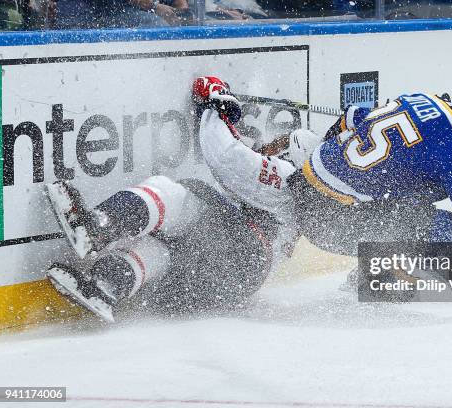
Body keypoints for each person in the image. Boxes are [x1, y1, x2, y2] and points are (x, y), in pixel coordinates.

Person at [45, 76, 319, 322]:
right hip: (225, 289)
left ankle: (100, 227)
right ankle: (107, 285)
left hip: (241, 250)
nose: (272, 144)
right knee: (162, 252)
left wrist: (216, 105)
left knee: (174, 195)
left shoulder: (284, 176)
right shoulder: (297, 206)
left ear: (291, 156)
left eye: (283, 143)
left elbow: (226, 156)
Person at [286, 87, 452, 309]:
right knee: (449, 231)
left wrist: (326, 165)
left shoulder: (426, 100)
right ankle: (377, 275)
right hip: (327, 222)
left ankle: (380, 268)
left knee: (414, 198)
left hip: (305, 182)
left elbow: (351, 116)